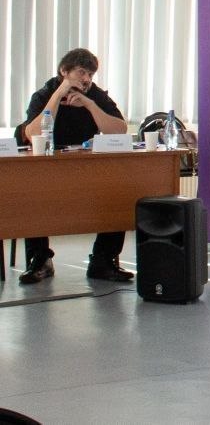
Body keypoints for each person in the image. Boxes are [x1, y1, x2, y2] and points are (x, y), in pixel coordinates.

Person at [13, 48, 135, 285]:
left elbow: (120, 130)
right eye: (81, 72)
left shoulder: (95, 94)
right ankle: (40, 260)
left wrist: (90, 105)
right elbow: (32, 133)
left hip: (85, 169)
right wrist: (59, 94)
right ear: (64, 71)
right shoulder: (44, 94)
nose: (86, 79)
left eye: (90, 74)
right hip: (45, 170)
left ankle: (102, 261)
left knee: (118, 192)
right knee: (31, 194)